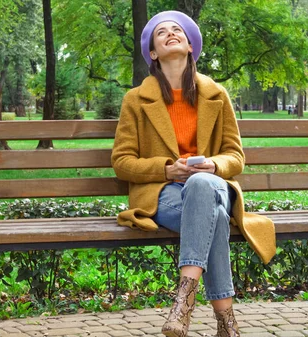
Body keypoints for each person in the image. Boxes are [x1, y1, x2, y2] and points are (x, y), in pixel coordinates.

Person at [111, 10, 275, 337]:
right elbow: (122, 161)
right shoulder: (135, 100)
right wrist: (166, 169)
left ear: (189, 46)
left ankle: (183, 304)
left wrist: (213, 165)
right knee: (211, 215)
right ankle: (227, 324)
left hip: (215, 185)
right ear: (153, 53)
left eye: (178, 31)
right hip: (166, 194)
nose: (171, 33)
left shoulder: (216, 95)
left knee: (202, 183)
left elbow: (235, 156)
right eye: (162, 32)